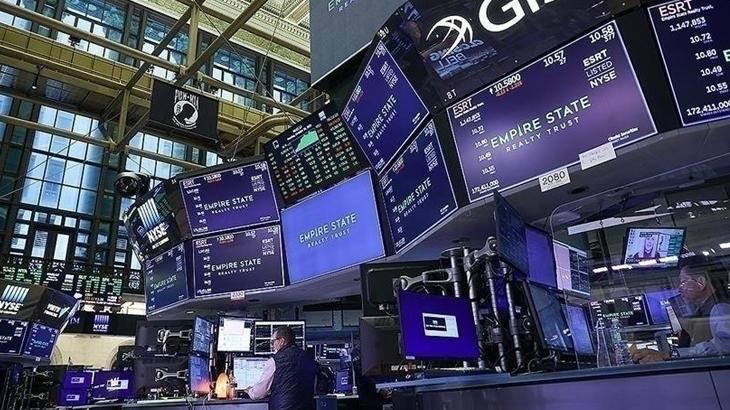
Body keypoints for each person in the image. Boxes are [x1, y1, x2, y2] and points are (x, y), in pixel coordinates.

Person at [631, 256, 730, 363]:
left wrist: (675, 355)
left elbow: (725, 345)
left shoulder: (720, 308)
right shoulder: (706, 308)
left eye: (683, 282)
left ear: (701, 282)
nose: (680, 288)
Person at [244, 326, 317, 410]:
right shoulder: (309, 358)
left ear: (282, 341)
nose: (272, 345)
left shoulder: (275, 360)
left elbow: (258, 393)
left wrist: (250, 391)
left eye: (273, 342)